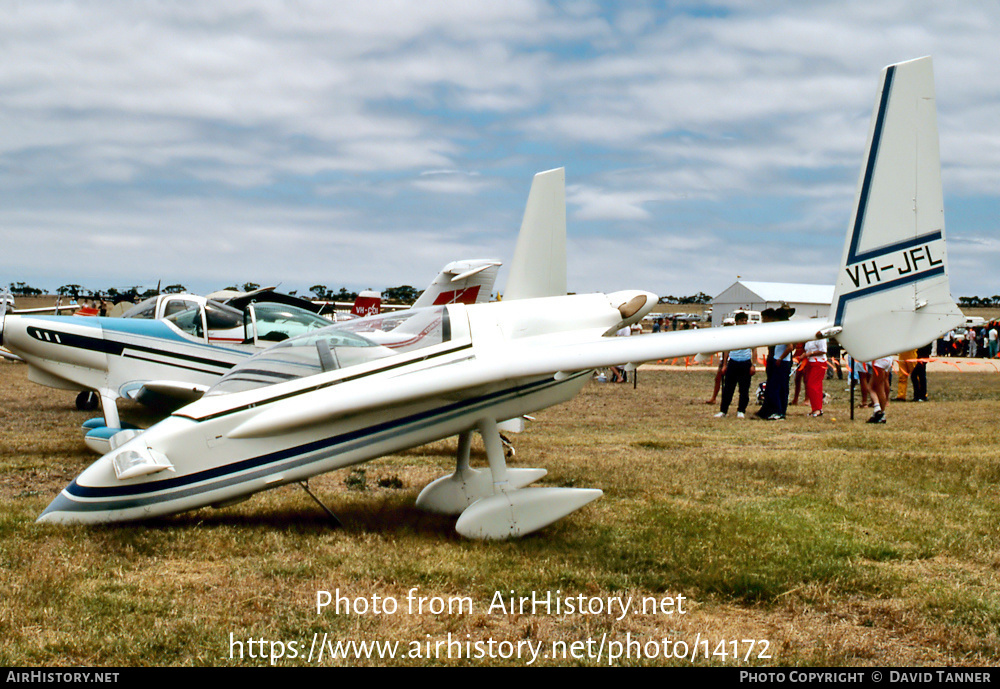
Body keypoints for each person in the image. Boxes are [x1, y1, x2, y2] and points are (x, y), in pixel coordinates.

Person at [714, 312, 757, 419]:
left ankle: (741, 410)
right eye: (742, 320)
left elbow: (754, 350)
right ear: (736, 322)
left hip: (745, 362)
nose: (744, 322)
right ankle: (723, 410)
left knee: (744, 389)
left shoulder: (749, 334)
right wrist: (724, 364)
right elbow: (726, 349)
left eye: (745, 320)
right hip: (733, 362)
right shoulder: (731, 333)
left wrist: (753, 365)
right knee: (728, 388)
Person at [800, 337, 827, 417]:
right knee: (810, 385)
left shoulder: (820, 338)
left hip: (818, 362)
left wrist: (809, 353)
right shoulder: (809, 337)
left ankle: (818, 408)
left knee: (813, 385)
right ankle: (814, 408)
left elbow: (823, 350)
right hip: (810, 362)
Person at [867, 355, 894, 423]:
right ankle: (881, 414)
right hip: (888, 358)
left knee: (877, 388)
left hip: (880, 359)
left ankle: (877, 407)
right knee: (876, 386)